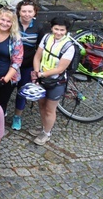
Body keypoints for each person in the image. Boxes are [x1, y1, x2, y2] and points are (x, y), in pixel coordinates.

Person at [30, 16, 76, 146]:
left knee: (50, 109)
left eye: (62, 30)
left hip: (56, 82)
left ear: (66, 31)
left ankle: (46, 133)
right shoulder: (46, 38)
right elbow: (37, 57)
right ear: (51, 28)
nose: (58, 32)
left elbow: (60, 69)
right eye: (56, 29)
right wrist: (36, 73)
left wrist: (41, 74)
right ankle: (44, 127)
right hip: (42, 77)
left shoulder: (69, 46)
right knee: (41, 105)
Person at [12, 0, 44, 131]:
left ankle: (17, 116)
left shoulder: (39, 27)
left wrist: (36, 70)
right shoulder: (13, 23)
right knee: (5, 90)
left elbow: (40, 49)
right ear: (19, 11)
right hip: (11, 64)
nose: (26, 14)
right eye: (24, 11)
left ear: (34, 12)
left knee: (22, 91)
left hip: (27, 65)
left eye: (30, 11)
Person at [0, 8, 23, 112]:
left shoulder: (15, 38)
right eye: (2, 20)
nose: (5, 23)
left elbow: (17, 62)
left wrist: (5, 79)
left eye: (8, 21)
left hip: (7, 78)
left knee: (0, 107)